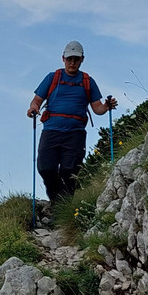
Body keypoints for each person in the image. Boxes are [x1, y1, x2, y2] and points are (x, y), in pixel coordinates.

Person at [26, 40, 117, 205]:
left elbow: (97, 108)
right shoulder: (53, 78)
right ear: (63, 59)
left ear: (82, 59)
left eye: (76, 59)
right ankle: (58, 202)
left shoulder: (88, 81)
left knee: (70, 171)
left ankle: (63, 209)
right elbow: (37, 100)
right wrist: (33, 109)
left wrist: (106, 106)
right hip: (51, 130)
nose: (72, 62)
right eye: (69, 59)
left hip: (75, 133)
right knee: (46, 168)